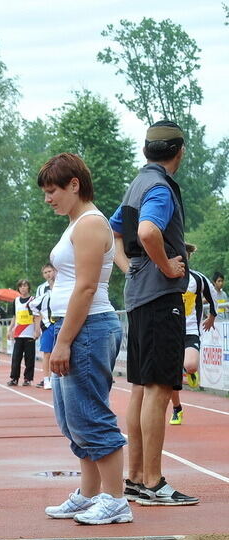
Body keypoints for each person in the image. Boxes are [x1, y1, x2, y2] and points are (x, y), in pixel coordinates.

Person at [39, 153, 132, 525]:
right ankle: (90, 493)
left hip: (89, 328)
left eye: (53, 190)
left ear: (74, 185)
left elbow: (88, 286)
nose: (48, 199)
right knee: (71, 418)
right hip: (76, 327)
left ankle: (116, 499)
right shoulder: (75, 223)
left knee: (90, 415)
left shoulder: (91, 224)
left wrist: (63, 341)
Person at [110, 120, 197, 506]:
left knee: (141, 389)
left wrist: (132, 268)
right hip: (161, 299)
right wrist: (165, 266)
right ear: (179, 151)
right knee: (160, 390)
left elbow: (116, 233)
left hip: (138, 298)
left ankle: (134, 478)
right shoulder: (160, 187)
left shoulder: (137, 183)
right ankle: (153, 481)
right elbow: (147, 232)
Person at [168, 244, 218, 425]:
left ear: (188, 256)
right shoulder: (166, 276)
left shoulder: (197, 278)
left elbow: (212, 295)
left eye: (185, 254)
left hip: (190, 331)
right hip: (170, 332)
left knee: (190, 365)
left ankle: (188, 369)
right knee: (170, 377)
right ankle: (177, 408)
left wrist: (212, 316)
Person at [7, 279, 37, 386]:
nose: (23, 288)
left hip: (29, 333)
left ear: (29, 287)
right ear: (18, 288)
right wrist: (10, 330)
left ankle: (28, 378)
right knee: (16, 357)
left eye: (25, 286)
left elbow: (36, 317)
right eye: (21, 286)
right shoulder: (16, 301)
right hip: (18, 333)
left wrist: (37, 331)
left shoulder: (33, 300)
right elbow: (14, 317)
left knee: (29, 357)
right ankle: (14, 378)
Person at [32, 263, 57, 389]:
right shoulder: (41, 289)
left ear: (54, 271)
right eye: (45, 272)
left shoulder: (61, 285)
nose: (48, 274)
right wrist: (37, 328)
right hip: (47, 324)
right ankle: (46, 379)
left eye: (50, 271)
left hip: (60, 322)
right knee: (47, 352)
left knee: (59, 351)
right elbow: (37, 309)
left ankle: (56, 378)